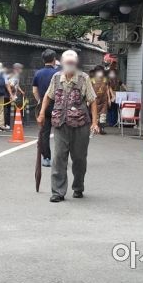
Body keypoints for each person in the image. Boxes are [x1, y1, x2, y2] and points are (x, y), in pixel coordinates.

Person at [38, 50, 99, 203]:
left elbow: (92, 101)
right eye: (67, 62)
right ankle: (58, 192)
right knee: (59, 157)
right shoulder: (56, 77)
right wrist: (41, 113)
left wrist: (95, 122)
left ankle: (78, 187)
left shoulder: (83, 78)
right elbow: (47, 96)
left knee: (79, 159)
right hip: (60, 123)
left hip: (80, 125)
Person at [33, 49, 59, 167]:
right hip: (58, 105)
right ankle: (60, 157)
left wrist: (40, 101)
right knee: (62, 132)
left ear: (43, 60)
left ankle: (47, 158)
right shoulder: (59, 73)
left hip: (44, 106)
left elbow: (34, 90)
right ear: (54, 59)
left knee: (44, 133)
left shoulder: (38, 73)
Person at [90, 65, 113, 135]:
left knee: (103, 115)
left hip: (103, 100)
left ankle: (102, 129)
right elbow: (89, 89)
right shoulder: (92, 79)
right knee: (95, 115)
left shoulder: (105, 79)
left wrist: (109, 99)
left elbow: (107, 89)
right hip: (95, 100)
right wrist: (88, 100)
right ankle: (95, 128)